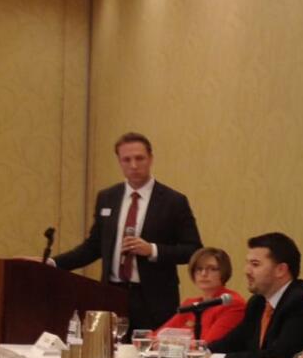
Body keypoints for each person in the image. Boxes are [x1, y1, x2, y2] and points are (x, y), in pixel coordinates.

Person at [46, 132, 202, 332]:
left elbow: (193, 250)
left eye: (139, 158)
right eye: (126, 160)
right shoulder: (107, 197)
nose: (134, 165)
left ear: (151, 159)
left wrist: (152, 250)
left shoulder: (173, 201)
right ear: (119, 162)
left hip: (154, 300)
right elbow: (93, 247)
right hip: (112, 295)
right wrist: (52, 263)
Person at [209, 233, 303, 358]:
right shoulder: (258, 302)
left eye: (255, 264)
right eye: (247, 263)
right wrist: (201, 351)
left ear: (281, 270)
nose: (246, 271)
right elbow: (234, 341)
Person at [155, 247, 246, 343]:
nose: (204, 274)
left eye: (212, 269)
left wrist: (168, 343)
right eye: (199, 269)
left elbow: (207, 344)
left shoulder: (232, 303)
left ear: (224, 272)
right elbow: (155, 336)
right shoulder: (190, 304)